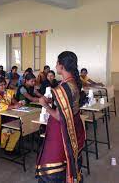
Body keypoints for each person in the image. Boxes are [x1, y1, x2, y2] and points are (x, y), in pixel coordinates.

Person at [36, 51, 85, 183]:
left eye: (57, 62)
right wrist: (52, 102)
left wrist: (45, 105)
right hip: (75, 128)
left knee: (52, 162)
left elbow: (59, 116)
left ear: (61, 66)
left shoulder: (62, 88)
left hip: (60, 132)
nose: (55, 65)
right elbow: (67, 106)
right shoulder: (74, 83)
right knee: (68, 160)